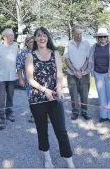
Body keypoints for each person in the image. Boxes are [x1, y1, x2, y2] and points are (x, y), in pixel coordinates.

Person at [25, 27, 74, 168]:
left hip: (54, 98)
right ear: (35, 38)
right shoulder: (30, 55)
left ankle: (69, 161)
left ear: (48, 37)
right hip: (37, 99)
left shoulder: (55, 53)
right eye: (39, 35)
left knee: (61, 131)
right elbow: (30, 79)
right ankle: (47, 158)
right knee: (42, 131)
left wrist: (58, 88)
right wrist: (45, 90)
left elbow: (59, 74)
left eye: (44, 35)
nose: (42, 38)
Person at [88, 28, 110, 125]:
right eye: (100, 37)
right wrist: (92, 71)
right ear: (97, 38)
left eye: (104, 36)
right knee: (101, 95)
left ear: (107, 37)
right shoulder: (94, 47)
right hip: (98, 74)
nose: (102, 38)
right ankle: (104, 115)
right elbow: (90, 59)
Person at [0, 27, 19, 130]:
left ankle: (9, 113)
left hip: (12, 76)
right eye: (10, 35)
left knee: (10, 96)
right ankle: (1, 117)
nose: (12, 37)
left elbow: (17, 60)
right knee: (1, 98)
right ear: (4, 37)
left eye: (13, 35)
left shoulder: (16, 46)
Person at [63, 25, 91, 121]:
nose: (79, 36)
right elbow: (66, 59)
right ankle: (75, 112)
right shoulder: (68, 44)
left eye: (81, 33)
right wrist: (74, 71)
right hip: (72, 74)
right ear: (73, 33)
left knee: (84, 94)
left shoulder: (86, 43)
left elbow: (88, 59)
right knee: (73, 94)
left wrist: (81, 70)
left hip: (84, 74)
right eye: (77, 34)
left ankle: (84, 112)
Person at [16, 34, 35, 123]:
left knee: (43, 98)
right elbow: (19, 67)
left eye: (34, 41)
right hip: (29, 81)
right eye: (31, 42)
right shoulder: (23, 53)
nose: (33, 43)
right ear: (27, 43)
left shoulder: (40, 51)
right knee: (31, 98)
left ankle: (45, 115)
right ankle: (34, 115)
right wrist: (20, 79)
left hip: (41, 80)